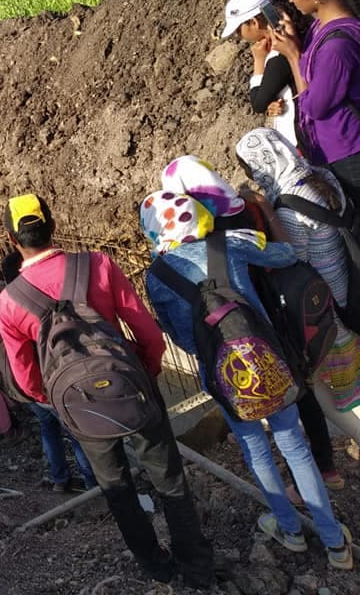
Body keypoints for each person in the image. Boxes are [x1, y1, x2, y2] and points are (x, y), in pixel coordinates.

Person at [0, 193, 213, 587]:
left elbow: (26, 380)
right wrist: (146, 372)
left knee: (117, 488)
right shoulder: (98, 264)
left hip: (80, 407)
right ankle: (196, 566)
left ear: (13, 241)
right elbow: (147, 331)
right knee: (169, 479)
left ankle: (155, 566)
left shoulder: (9, 302)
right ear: (53, 226)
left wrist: (59, 403)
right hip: (134, 387)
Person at [141, 190, 353, 571]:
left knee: (256, 450)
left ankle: (289, 529)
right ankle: (335, 543)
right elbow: (287, 255)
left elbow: (178, 337)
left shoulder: (156, 276)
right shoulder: (231, 243)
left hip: (221, 377)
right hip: (270, 363)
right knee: (296, 449)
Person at [162, 152, 345, 494]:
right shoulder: (247, 206)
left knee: (274, 417)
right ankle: (326, 469)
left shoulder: (206, 229)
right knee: (300, 391)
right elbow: (284, 251)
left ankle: (298, 493)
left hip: (247, 324)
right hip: (281, 312)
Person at [236, 127, 360, 446]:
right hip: (351, 286)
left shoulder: (289, 207)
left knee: (332, 386)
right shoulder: (321, 177)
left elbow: (293, 257)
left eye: (251, 169)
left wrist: (265, 209)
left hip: (329, 306)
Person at [0, 250, 96, 492]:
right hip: (49, 383)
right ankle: (92, 484)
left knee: (48, 429)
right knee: (76, 432)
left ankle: (60, 480)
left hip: (23, 385)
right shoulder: (35, 302)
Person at [272, 0, 360, 205]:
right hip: (337, 150)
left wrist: (292, 55)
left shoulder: (337, 46)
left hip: (350, 153)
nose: (291, 1)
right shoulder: (320, 27)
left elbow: (315, 106)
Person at [221, 0, 313, 146]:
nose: (239, 36)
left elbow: (258, 102)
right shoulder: (302, 31)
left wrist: (259, 61)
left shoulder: (281, 54)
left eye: (238, 30)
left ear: (254, 23)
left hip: (306, 138)